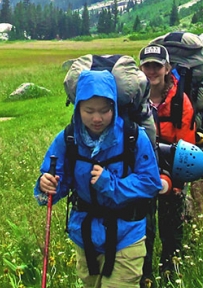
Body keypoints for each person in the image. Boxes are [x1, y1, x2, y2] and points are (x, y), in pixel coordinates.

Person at [35, 69, 162, 288]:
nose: (96, 118)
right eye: (89, 111)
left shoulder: (133, 136)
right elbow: (57, 181)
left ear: (113, 106)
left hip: (127, 234)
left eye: (104, 111)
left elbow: (151, 183)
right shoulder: (68, 138)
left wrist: (111, 185)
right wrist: (45, 185)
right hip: (85, 238)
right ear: (77, 109)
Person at [138, 44, 194, 282]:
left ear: (167, 68)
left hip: (172, 176)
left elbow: (186, 148)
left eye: (156, 66)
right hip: (141, 176)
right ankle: (145, 277)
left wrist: (172, 181)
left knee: (171, 232)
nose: (152, 71)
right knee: (144, 231)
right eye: (147, 66)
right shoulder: (133, 100)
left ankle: (171, 275)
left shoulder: (180, 101)